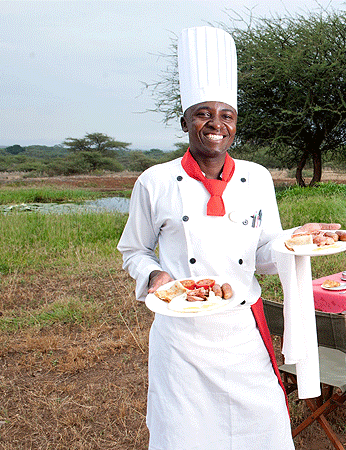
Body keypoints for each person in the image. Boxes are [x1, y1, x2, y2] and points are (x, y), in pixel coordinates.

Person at [117, 26, 295, 450]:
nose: (215, 124)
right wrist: (157, 276)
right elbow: (133, 250)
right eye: (203, 113)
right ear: (184, 122)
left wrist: (295, 242)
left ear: (235, 125)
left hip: (240, 330)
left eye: (226, 115)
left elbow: (266, 254)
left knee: (263, 425)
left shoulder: (257, 178)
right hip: (181, 336)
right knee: (184, 433)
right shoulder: (154, 181)